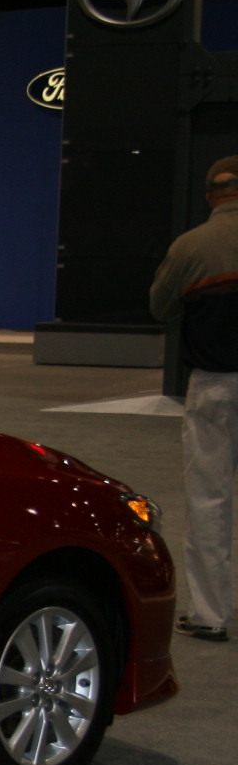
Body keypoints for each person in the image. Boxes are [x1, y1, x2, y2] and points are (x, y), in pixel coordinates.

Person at [151, 155, 238, 643]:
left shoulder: (191, 245)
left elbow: (159, 305)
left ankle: (209, 615)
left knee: (209, 497)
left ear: (210, 196)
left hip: (216, 383)